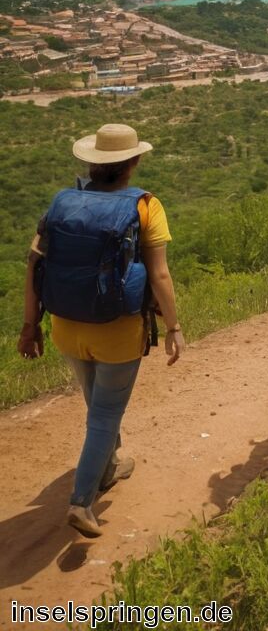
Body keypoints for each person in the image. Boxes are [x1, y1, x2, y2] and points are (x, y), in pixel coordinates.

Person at [18, 123, 185, 538]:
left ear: (91, 163)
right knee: (105, 415)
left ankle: (108, 467)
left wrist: (29, 326)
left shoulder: (62, 204)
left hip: (66, 326)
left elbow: (34, 265)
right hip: (117, 330)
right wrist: (174, 326)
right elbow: (160, 275)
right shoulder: (146, 205)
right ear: (134, 162)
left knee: (98, 408)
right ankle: (81, 501)